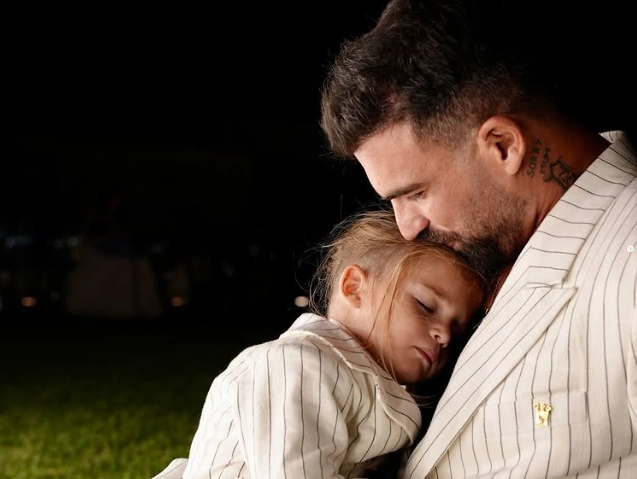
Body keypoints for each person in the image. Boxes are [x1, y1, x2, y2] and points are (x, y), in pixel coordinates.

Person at [318, 1, 637, 478]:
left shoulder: (628, 264)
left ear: (503, 146)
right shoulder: (487, 250)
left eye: (416, 193)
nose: (407, 227)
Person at [149, 208, 485, 479]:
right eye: (425, 306)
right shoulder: (299, 366)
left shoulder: (374, 387)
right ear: (354, 287)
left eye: (457, 328)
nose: (444, 335)